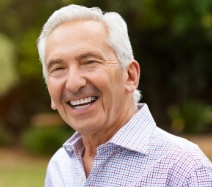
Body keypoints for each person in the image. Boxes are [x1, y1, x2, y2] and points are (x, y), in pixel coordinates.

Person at [37, 4, 212, 187]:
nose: (73, 83)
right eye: (58, 68)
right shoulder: (59, 167)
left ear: (129, 76)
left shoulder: (185, 170)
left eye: (89, 62)